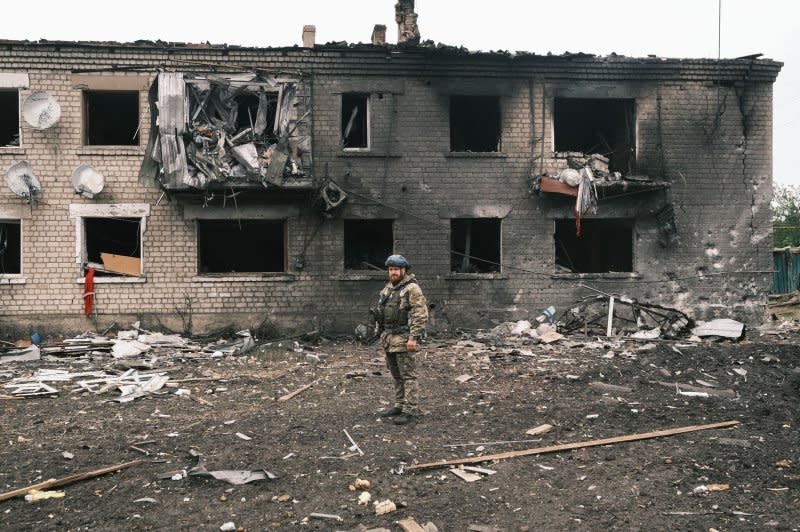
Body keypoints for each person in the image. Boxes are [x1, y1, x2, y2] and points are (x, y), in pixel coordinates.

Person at [373, 254, 428, 425]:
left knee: (408, 375)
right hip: (389, 338)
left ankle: (409, 409)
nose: (393, 272)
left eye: (396, 269)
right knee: (396, 374)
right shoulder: (387, 289)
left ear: (403, 270)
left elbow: (420, 314)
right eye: (391, 270)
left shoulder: (412, 289)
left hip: (404, 337)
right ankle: (399, 404)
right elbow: (380, 313)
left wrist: (413, 338)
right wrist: (378, 332)